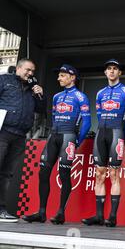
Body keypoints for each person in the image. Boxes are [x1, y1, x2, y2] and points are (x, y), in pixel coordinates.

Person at [23, 65, 91, 224]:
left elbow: (87, 122)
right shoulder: (56, 96)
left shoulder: (81, 97)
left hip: (69, 136)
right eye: (59, 75)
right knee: (43, 172)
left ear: (72, 77)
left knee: (64, 173)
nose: (59, 78)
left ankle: (61, 213)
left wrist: (77, 141)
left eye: (62, 75)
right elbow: (53, 116)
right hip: (54, 135)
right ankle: (41, 212)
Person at [82, 59, 125, 227]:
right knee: (99, 174)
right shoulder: (100, 93)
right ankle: (99, 216)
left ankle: (112, 216)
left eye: (115, 69)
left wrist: (121, 132)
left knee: (114, 174)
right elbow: (98, 116)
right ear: (105, 73)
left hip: (116, 133)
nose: (112, 71)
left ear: (120, 73)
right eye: (109, 69)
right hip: (101, 133)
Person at [0, 58, 46, 222]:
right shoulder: (4, 80)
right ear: (18, 68)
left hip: (20, 135)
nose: (30, 73)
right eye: (28, 70)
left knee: (7, 173)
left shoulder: (32, 89)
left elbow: (41, 110)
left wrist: (40, 95)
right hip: (2, 131)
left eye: (32, 71)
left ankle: (2, 209)